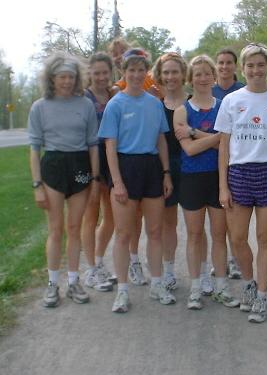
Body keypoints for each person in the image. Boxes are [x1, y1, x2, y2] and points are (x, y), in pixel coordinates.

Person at [215, 43, 267, 323]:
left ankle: (262, 297)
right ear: (243, 69)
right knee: (237, 238)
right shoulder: (231, 101)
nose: (255, 70)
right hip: (239, 173)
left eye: (260, 65)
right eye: (250, 65)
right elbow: (224, 147)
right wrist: (223, 186)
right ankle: (249, 283)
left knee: (264, 238)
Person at [98, 48, 175, 313]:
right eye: (131, 70)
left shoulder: (154, 103)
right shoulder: (115, 104)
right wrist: (117, 182)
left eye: (141, 70)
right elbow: (110, 145)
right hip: (125, 167)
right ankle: (122, 290)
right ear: (124, 72)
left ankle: (157, 283)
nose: (136, 74)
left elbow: (161, 140)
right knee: (124, 233)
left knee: (155, 231)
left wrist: (166, 173)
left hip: (151, 167)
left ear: (146, 74)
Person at [28, 52, 99, 307]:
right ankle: (52, 285)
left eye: (71, 77)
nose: (67, 82)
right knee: (56, 229)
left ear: (77, 78)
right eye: (62, 77)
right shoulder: (40, 107)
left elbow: (93, 145)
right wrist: (37, 185)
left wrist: (95, 179)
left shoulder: (85, 105)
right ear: (52, 79)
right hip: (53, 168)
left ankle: (73, 282)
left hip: (80, 166)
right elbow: (35, 149)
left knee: (74, 228)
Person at [173, 55, 239, 310]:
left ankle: (221, 286)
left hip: (218, 176)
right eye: (197, 74)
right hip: (191, 178)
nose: (202, 78)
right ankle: (196, 288)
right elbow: (189, 150)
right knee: (194, 234)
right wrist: (216, 138)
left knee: (220, 235)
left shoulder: (225, 105)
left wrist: (196, 133)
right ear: (191, 79)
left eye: (206, 73)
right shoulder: (182, 110)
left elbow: (231, 143)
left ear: (214, 76)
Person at [151, 52, 189, 290]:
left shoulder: (194, 101)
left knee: (196, 226)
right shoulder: (155, 106)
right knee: (168, 223)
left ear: (183, 74)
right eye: (166, 72)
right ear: (160, 75)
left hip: (192, 166)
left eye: (175, 71)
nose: (171, 76)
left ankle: (203, 271)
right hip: (165, 168)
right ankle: (168, 271)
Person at [81, 52, 116, 292]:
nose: (101, 77)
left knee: (112, 216)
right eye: (97, 73)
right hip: (88, 161)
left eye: (105, 72)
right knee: (90, 216)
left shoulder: (115, 95)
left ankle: (99, 261)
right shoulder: (83, 97)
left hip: (112, 161)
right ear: (89, 74)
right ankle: (91, 269)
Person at [211, 48, 245, 280]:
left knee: (232, 216)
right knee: (216, 221)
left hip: (237, 161)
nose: (224, 67)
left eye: (228, 63)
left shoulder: (243, 91)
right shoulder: (208, 89)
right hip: (209, 160)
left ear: (235, 66)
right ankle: (220, 260)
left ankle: (235, 260)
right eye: (220, 62)